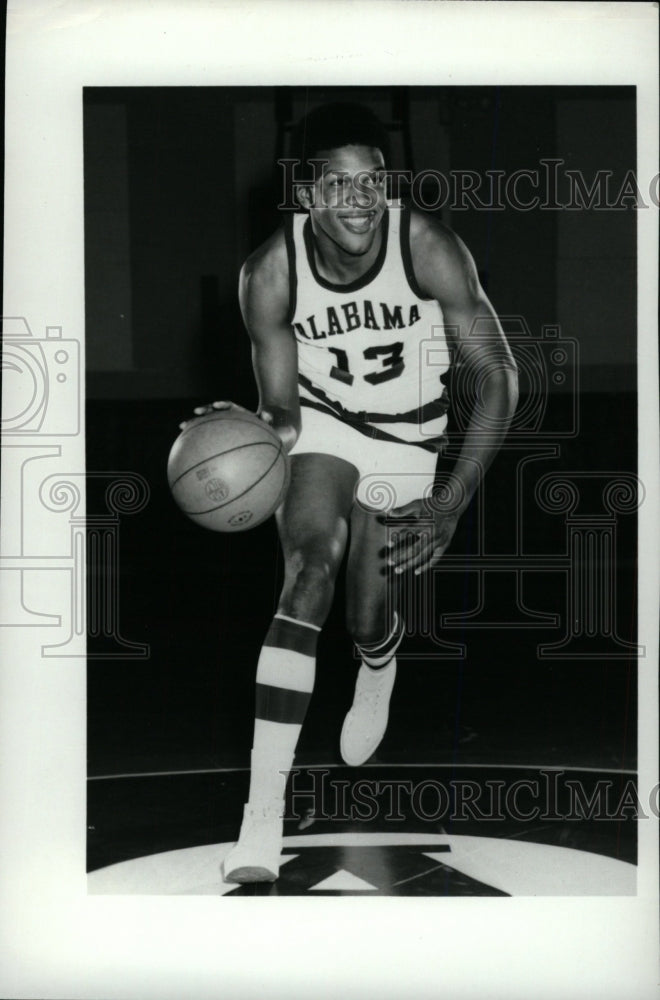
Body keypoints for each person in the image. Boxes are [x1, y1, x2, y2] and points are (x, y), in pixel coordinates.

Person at [189, 102, 518, 883]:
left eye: (373, 181)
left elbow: (498, 380)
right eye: (338, 185)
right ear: (306, 192)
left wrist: (451, 501)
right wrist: (248, 433)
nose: (360, 200)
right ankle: (261, 816)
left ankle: (379, 664)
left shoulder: (429, 248)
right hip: (325, 428)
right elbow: (282, 412)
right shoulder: (269, 272)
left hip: (409, 437)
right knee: (307, 573)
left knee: (369, 615)